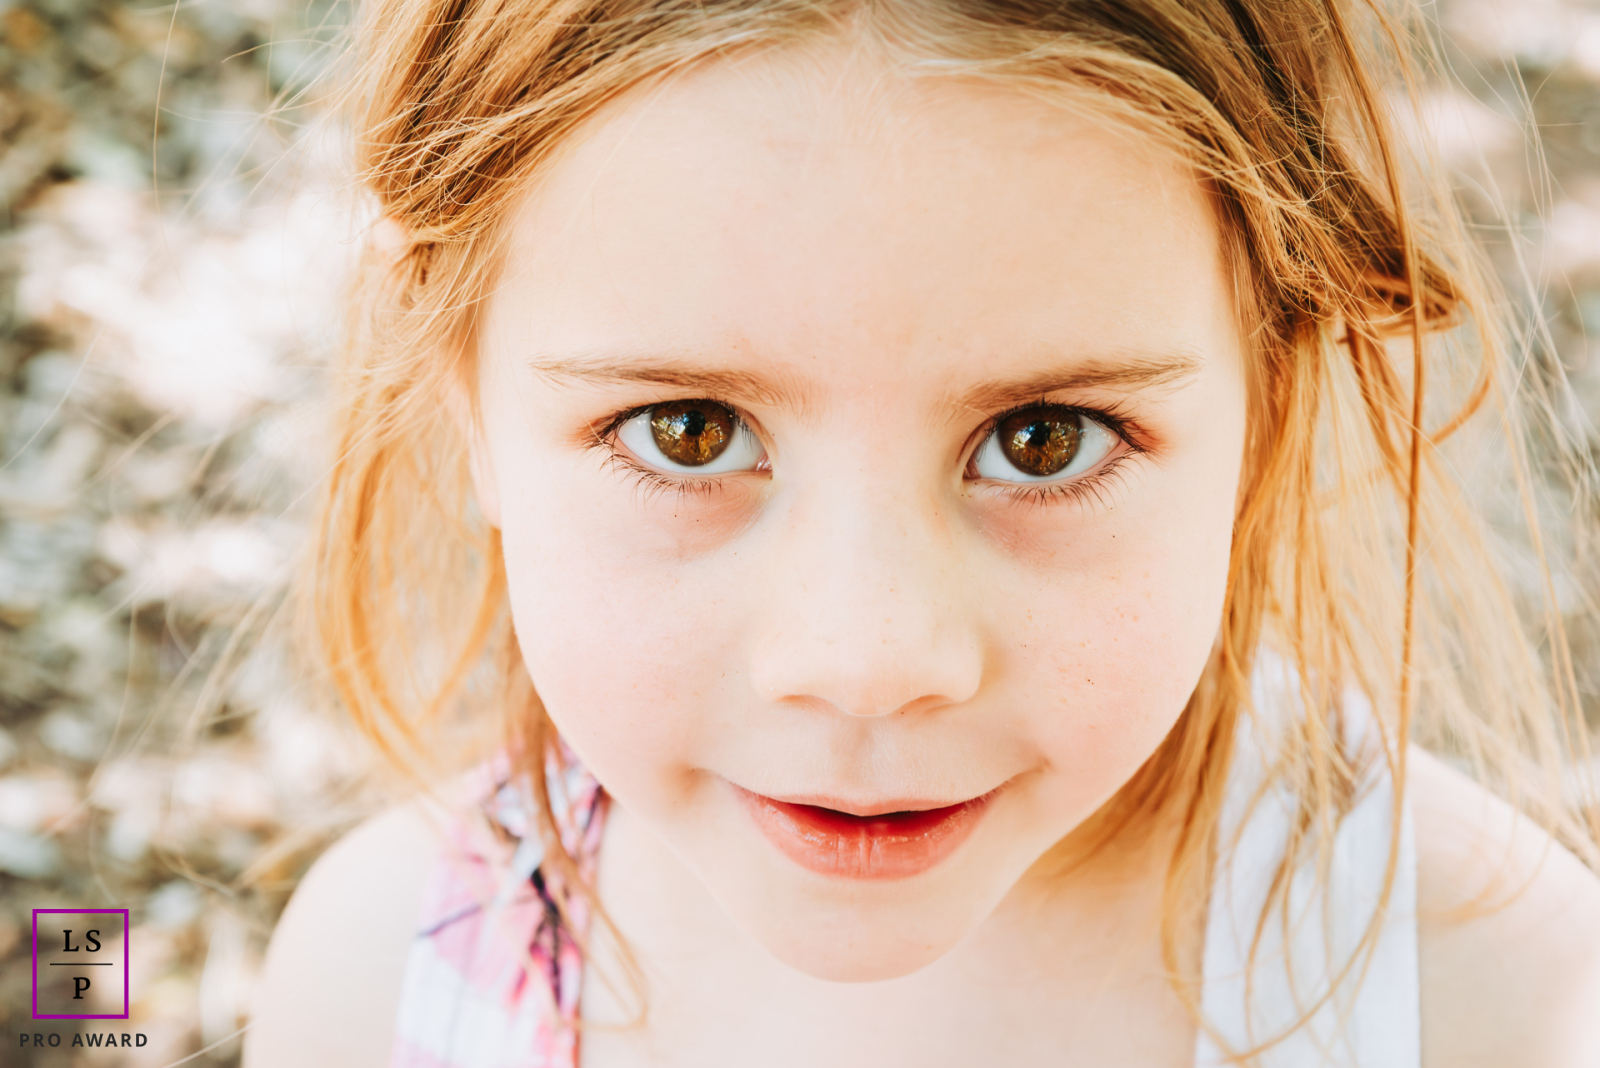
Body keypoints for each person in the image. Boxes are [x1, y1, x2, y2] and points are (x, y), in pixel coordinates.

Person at [243, 1, 1600, 1065]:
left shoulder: (1488, 999)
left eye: (1045, 439)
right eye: (691, 430)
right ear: (463, 401)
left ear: (1272, 403)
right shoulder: (378, 983)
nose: (868, 660)